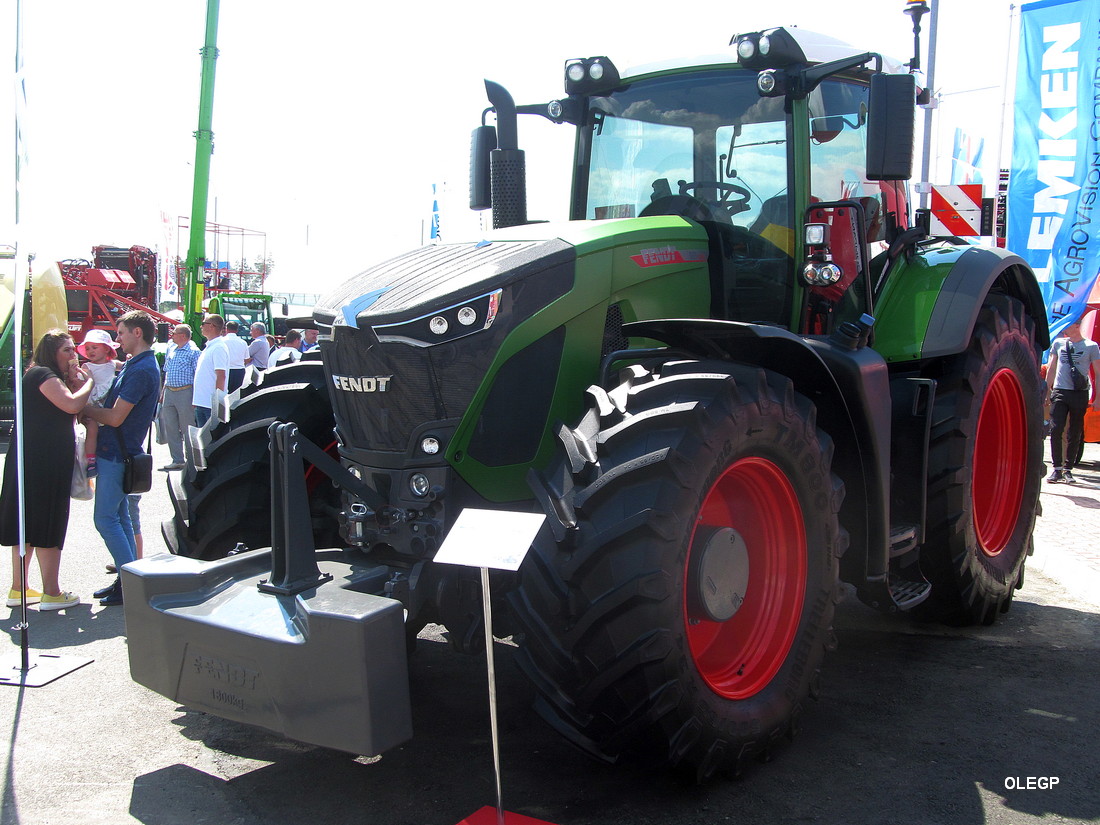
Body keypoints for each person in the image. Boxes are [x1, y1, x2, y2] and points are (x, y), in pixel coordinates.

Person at [1, 330, 93, 610]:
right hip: (43, 461)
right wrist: (87, 383)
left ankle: (20, 588)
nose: (73, 354)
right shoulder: (43, 375)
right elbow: (72, 405)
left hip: (32, 458)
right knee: (47, 522)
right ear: (51, 352)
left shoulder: (38, 374)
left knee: (26, 522)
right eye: (67, 350)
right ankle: (51, 592)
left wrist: (74, 379)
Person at [82, 311, 161, 606]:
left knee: (105, 519)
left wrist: (85, 409)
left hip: (118, 453)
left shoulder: (140, 369)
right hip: (121, 452)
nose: (118, 339)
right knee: (120, 518)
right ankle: (128, 581)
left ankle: (129, 585)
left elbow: (115, 417)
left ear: (137, 333)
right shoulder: (138, 364)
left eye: (121, 333)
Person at [1045, 319, 1100, 484]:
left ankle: (1068, 469)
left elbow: (1098, 373)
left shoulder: (1091, 346)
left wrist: (1098, 398)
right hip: (1060, 391)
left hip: (1080, 393)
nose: (1064, 329)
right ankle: (1057, 469)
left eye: (1067, 325)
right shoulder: (1058, 343)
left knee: (1075, 431)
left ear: (1077, 325)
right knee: (1055, 429)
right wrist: (1047, 391)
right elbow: (1052, 367)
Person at [76, 329, 123, 477]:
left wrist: (130, 358)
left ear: (106, 348)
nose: (90, 351)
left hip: (108, 403)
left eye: (94, 347)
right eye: (88, 348)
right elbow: (82, 382)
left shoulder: (112, 364)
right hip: (93, 402)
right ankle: (91, 461)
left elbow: (126, 367)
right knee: (92, 429)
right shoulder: (87, 367)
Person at [157, 324, 200, 471]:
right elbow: (167, 372)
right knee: (171, 427)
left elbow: (197, 376)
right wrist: (163, 392)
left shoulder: (194, 352)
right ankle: (177, 459)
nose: (172, 335)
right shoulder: (171, 349)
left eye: (174, 333)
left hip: (186, 392)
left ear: (183, 335)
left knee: (187, 427)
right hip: (169, 392)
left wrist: (195, 397)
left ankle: (192, 459)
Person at [192, 314, 229, 427]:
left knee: (211, 440)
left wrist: (217, 403)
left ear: (212, 326)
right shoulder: (210, 347)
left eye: (203, 324)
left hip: (210, 405)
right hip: (202, 402)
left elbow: (221, 376)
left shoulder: (218, 348)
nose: (201, 326)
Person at [223, 320, 249, 392]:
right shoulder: (243, 342)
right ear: (237, 330)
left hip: (226, 370)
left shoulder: (222, 341)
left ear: (226, 329)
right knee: (237, 395)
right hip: (239, 371)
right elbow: (247, 359)